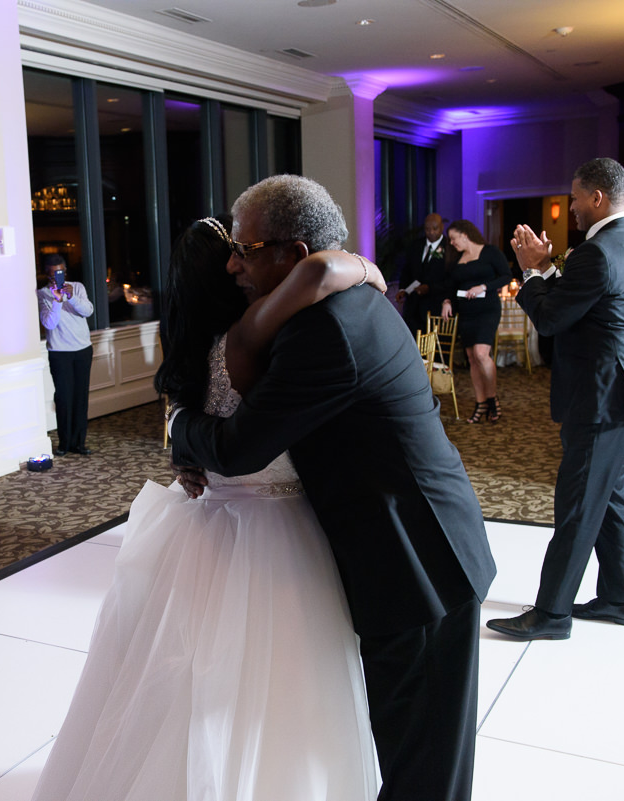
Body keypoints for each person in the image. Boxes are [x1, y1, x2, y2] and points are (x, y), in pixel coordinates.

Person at [31, 216, 386, 801]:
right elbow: (321, 274)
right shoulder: (253, 335)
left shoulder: (191, 348)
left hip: (208, 517)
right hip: (277, 522)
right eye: (234, 256)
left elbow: (186, 423)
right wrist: (368, 269)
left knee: (189, 667)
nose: (240, 265)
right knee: (271, 676)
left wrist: (179, 438)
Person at [170, 176, 496, 801]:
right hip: (403, 542)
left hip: (418, 559)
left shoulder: (327, 332)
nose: (234, 263)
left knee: (423, 762)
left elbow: (240, 448)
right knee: (409, 741)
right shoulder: (327, 305)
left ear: (291, 255)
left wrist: (181, 429)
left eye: (246, 248)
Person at [489, 157, 624, 642]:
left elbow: (553, 319)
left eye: (576, 198)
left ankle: (551, 613)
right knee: (609, 500)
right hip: (623, 388)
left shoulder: (596, 251)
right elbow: (587, 301)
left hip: (600, 393)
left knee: (579, 504)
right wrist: (545, 266)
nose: (573, 207)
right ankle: (620, 600)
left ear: (597, 198)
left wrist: (531, 272)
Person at [440, 219, 512, 423]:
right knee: (472, 357)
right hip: (466, 313)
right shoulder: (456, 260)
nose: (452, 243)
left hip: (487, 310)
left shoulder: (490, 252)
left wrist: (484, 287)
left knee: (481, 353)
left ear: (465, 234)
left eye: (454, 238)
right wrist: (447, 301)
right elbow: (450, 287)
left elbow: (506, 276)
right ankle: (480, 403)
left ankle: (492, 400)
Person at [38, 254, 95, 456]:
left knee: (80, 397)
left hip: (82, 350)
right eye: (53, 273)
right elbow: (50, 323)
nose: (57, 277)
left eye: (60, 272)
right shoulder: (43, 294)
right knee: (63, 397)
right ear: (47, 273)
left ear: (65, 272)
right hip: (59, 353)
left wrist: (71, 297)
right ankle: (64, 443)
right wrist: (57, 300)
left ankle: (79, 443)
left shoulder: (77, 287)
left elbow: (88, 311)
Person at [396, 212, 447, 334]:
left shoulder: (450, 248)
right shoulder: (415, 245)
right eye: (427, 229)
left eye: (435, 228)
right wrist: (402, 289)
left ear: (442, 227)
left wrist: (430, 288)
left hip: (435, 307)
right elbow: (407, 270)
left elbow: (451, 279)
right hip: (413, 306)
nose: (431, 232)